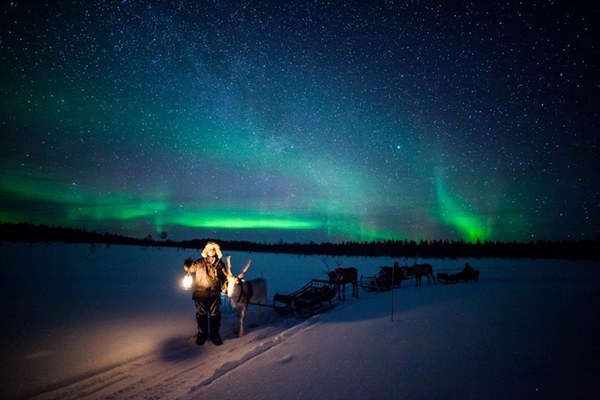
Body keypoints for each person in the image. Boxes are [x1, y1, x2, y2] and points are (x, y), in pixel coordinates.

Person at [183, 241, 228, 346]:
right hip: (200, 293)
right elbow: (191, 268)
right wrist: (187, 265)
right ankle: (202, 334)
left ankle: (214, 335)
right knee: (201, 314)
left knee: (215, 315)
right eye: (210, 249)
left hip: (214, 294)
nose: (211, 251)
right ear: (206, 251)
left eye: (214, 249)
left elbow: (224, 277)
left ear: (216, 251)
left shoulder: (220, 264)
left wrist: (225, 284)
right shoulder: (199, 262)